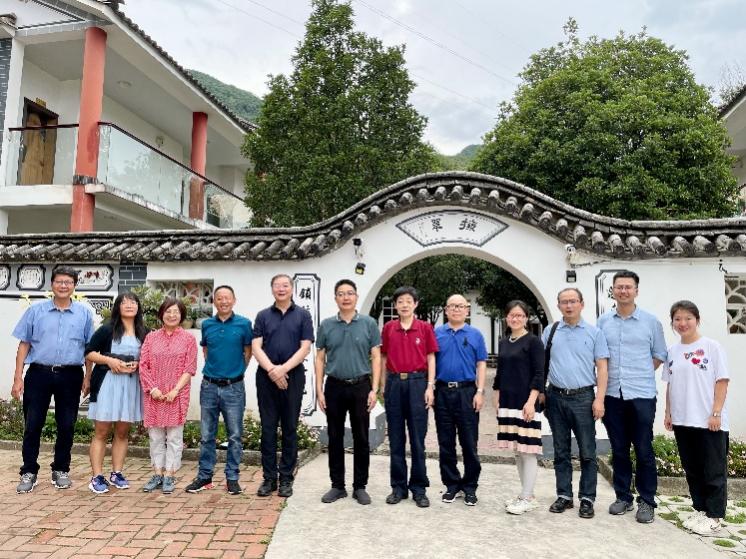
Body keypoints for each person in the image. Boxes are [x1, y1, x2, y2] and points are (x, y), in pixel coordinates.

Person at [12, 266, 94, 493]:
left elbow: (89, 349)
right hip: (38, 373)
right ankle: (29, 471)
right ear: (52, 284)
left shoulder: (84, 314)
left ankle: (61, 469)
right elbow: (24, 345)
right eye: (59, 281)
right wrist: (18, 377)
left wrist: (88, 377)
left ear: (74, 286)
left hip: (71, 374)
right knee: (33, 424)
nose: (63, 286)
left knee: (67, 424)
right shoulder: (35, 311)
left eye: (68, 282)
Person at [598, 270, 667, 524]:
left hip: (642, 395)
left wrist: (640, 373)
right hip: (612, 394)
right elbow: (599, 356)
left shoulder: (651, 322)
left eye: (628, 287)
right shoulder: (603, 322)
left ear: (636, 291)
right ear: (613, 291)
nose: (623, 291)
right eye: (619, 287)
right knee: (619, 449)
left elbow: (659, 354)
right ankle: (623, 496)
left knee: (643, 448)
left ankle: (647, 501)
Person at [663, 300, 730, 536]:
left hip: (708, 420)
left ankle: (715, 516)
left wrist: (716, 412)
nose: (683, 323)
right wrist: (668, 412)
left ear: (697, 320)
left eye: (688, 318)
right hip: (683, 420)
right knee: (692, 470)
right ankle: (700, 509)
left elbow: (722, 381)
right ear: (672, 322)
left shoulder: (712, 347)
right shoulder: (672, 351)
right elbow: (670, 384)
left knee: (713, 470)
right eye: (677, 319)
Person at [315, 279, 381, 505]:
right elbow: (320, 358)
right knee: (335, 437)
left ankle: (360, 486)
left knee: (361, 437)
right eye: (341, 293)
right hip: (334, 386)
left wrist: (374, 389)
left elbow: (376, 357)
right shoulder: (326, 325)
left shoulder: (369, 324)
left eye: (350, 293)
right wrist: (319, 390)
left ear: (356, 297)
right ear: (335, 298)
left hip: (361, 386)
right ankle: (337, 486)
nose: (346, 297)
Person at [544, 288, 609, 519]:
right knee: (560, 451)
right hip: (556, 397)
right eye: (564, 302)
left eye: (573, 301)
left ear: (582, 303)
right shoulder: (550, 331)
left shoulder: (594, 333)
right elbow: (542, 364)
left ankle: (587, 498)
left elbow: (602, 368)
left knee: (587, 451)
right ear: (558, 305)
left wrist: (599, 399)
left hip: (583, 398)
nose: (569, 306)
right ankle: (564, 495)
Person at [185, 285, 253, 495]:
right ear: (214, 301)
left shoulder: (244, 324)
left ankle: (232, 478)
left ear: (234, 300)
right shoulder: (207, 325)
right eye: (219, 298)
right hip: (209, 386)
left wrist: (235, 372)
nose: (223, 302)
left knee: (234, 435)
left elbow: (248, 352)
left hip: (234, 387)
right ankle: (205, 476)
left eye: (227, 298)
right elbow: (206, 351)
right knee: (207, 435)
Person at [252, 274, 314, 498]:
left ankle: (286, 478)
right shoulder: (263, 315)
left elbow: (305, 347)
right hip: (266, 376)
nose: (281, 289)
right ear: (272, 289)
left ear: (292, 288)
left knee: (289, 428)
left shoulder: (303, 315)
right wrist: (272, 370)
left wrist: (283, 369)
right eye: (277, 286)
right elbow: (256, 346)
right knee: (268, 429)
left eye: (285, 285)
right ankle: (269, 478)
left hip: (293, 376)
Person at [84, 292, 149, 493]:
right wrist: (110, 360)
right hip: (107, 383)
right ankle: (96, 476)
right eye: (124, 302)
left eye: (133, 302)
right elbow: (89, 352)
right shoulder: (107, 329)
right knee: (102, 431)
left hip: (130, 385)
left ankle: (117, 473)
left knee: (122, 432)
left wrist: (139, 364)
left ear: (138, 307)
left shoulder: (144, 332)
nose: (129, 305)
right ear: (118, 307)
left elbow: (149, 357)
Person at [380, 286, 438, 508]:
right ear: (395, 305)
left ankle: (419, 489)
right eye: (400, 301)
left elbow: (431, 358)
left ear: (416, 304)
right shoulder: (389, 328)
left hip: (417, 383)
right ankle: (398, 488)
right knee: (396, 439)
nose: (404, 305)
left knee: (417, 440)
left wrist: (430, 387)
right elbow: (384, 357)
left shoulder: (424, 328)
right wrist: (383, 386)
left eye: (408, 301)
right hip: (394, 384)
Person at [139, 297, 198, 494]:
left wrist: (175, 390)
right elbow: (143, 366)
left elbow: (189, 368)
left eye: (176, 312)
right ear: (161, 314)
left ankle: (170, 474)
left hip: (177, 395)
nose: (172, 315)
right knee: (155, 437)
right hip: (154, 395)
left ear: (182, 315)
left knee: (174, 437)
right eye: (168, 311)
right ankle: (157, 473)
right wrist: (153, 389)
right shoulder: (151, 337)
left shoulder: (188, 339)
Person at [434, 294, 487, 506]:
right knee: (445, 442)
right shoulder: (437, 333)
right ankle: (452, 484)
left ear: (467, 310)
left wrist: (480, 391)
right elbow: (430, 361)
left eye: (461, 306)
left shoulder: (475, 335)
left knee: (469, 442)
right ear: (446, 310)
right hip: (442, 392)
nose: (456, 309)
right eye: (452, 306)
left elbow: (481, 364)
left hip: (467, 393)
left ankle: (470, 486)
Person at [493, 300, 545, 514]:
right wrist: (496, 397)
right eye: (512, 315)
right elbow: (500, 372)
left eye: (520, 315)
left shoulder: (533, 342)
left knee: (528, 451)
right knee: (517, 451)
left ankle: (526, 497)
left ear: (526, 318)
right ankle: (527, 494)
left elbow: (539, 374)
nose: (515, 319)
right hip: (508, 402)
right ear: (506, 317)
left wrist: (531, 402)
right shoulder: (504, 342)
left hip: (526, 403)